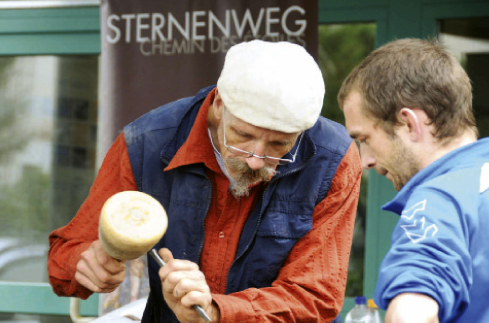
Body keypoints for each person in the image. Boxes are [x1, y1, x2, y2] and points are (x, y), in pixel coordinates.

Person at [48, 39, 362, 323]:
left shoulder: (332, 158)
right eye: (244, 135)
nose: (255, 159)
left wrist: (216, 312)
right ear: (219, 103)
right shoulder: (147, 142)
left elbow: (315, 296)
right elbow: (63, 257)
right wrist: (87, 264)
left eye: (279, 145)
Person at [338, 38, 489, 323]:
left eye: (365, 139)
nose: (366, 160)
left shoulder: (439, 200)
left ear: (409, 123)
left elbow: (410, 312)